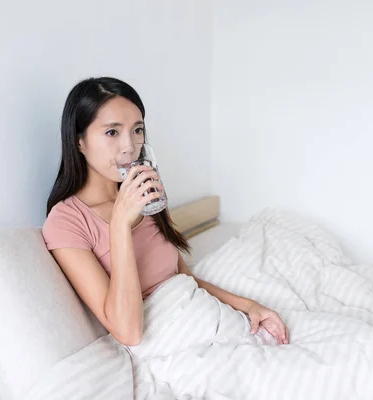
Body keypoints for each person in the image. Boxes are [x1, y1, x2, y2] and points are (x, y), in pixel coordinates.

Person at [42, 77, 289, 346]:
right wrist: (120, 226)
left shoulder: (146, 194)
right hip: (163, 341)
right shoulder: (66, 221)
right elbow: (128, 332)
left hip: (199, 316)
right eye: (112, 132)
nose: (129, 146)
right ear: (80, 142)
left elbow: (183, 278)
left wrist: (249, 306)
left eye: (137, 130)